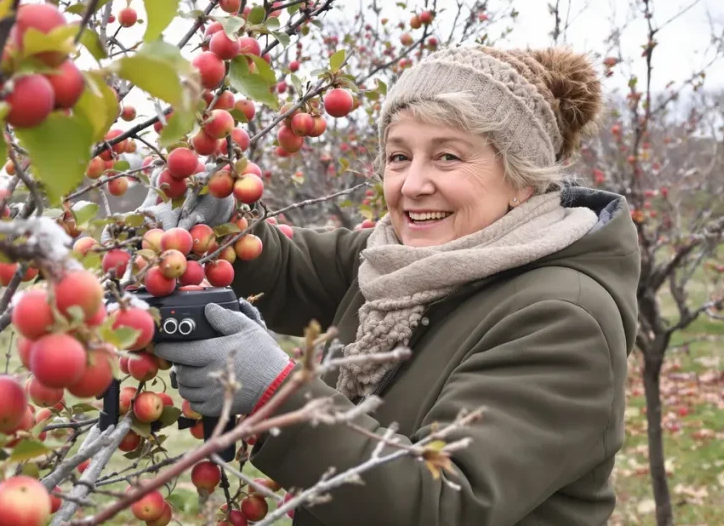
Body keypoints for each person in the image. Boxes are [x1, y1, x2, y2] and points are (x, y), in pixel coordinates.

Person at [145, 45, 640, 525]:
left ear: (521, 181)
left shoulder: (562, 318)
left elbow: (445, 502)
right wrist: (222, 228)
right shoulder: (398, 263)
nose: (412, 184)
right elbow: (289, 268)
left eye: (447, 156)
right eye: (399, 157)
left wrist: (279, 399)